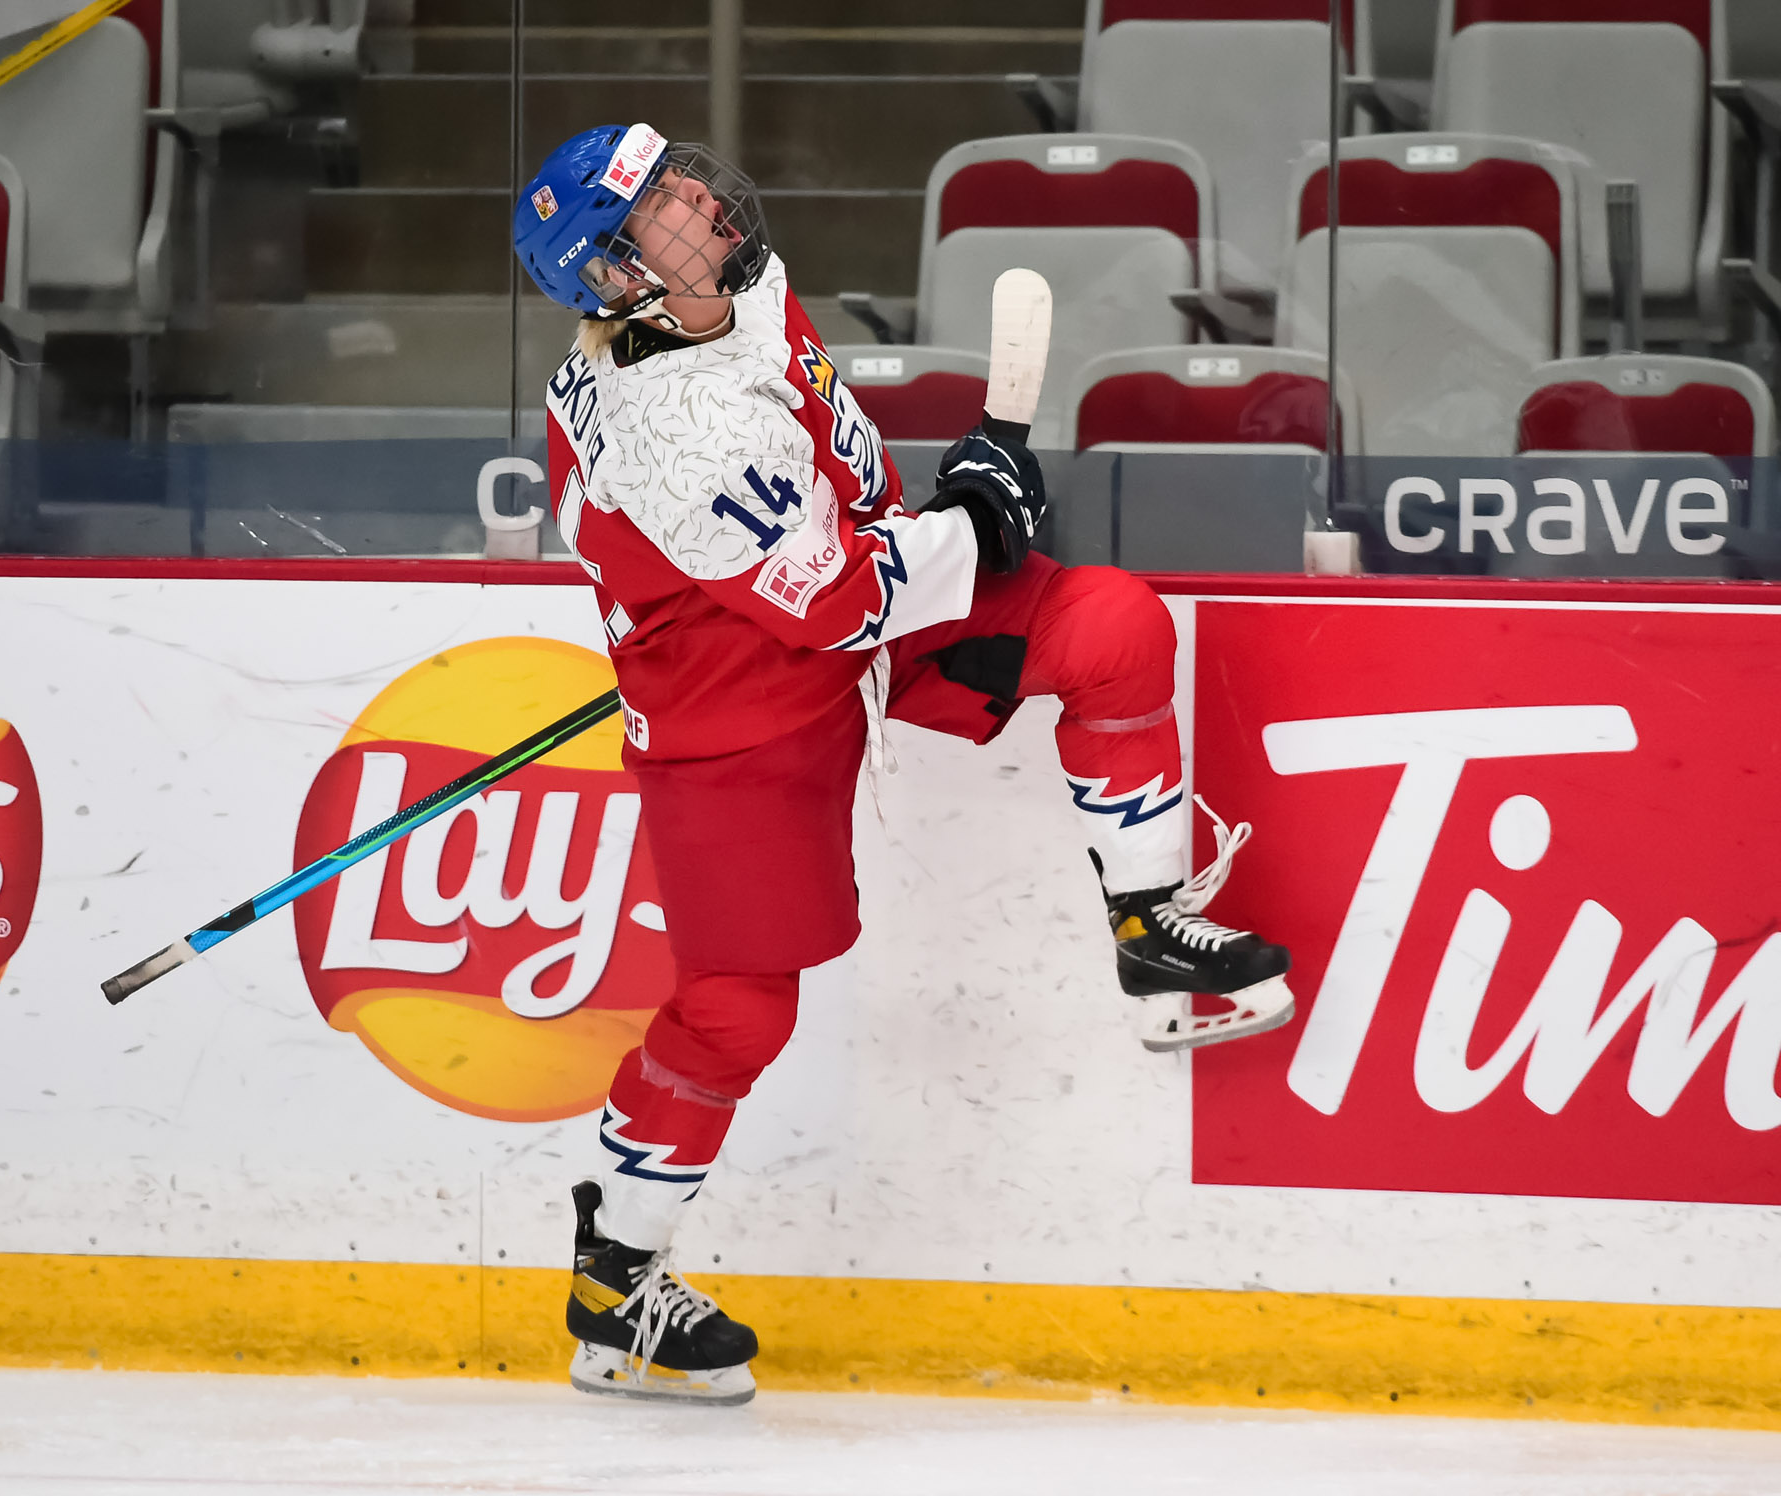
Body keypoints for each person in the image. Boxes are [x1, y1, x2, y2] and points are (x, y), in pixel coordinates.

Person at [512, 122, 1293, 1406]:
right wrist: (973, 517)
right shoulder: (675, 431)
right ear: (616, 275)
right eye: (656, 201)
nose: (697, 193)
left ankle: (1152, 930)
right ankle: (615, 1286)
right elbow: (834, 603)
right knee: (738, 1008)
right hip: (737, 708)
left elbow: (831, 519)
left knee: (1109, 627)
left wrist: (949, 514)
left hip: (841, 601)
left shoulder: (723, 284)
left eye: (678, 172)